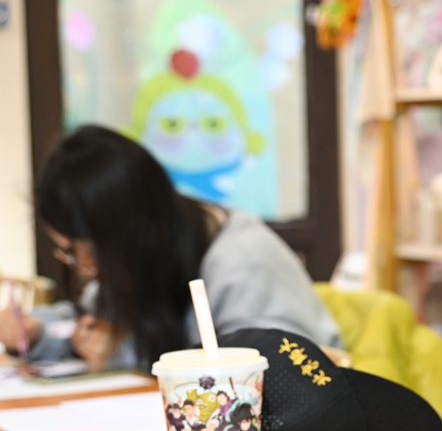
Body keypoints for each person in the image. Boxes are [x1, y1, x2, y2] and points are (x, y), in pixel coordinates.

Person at [0, 125, 342, 371]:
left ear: (118, 235)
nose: (82, 267)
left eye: (75, 252)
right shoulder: (153, 250)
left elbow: (265, 377)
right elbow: (91, 318)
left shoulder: (242, 263)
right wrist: (37, 331)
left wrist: (121, 355)